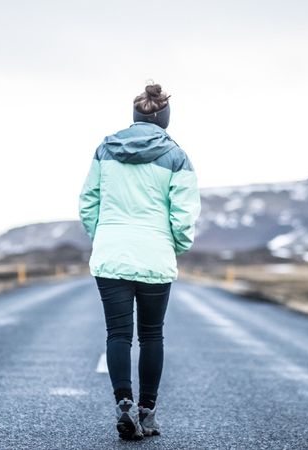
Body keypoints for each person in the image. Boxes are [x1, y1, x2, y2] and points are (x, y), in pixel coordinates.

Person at [78, 82, 201, 440]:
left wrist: (102, 237)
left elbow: (88, 201)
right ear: (165, 119)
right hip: (155, 256)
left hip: (111, 254)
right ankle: (147, 413)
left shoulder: (105, 149)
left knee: (118, 333)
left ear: (135, 115)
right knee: (151, 335)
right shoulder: (178, 157)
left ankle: (123, 405)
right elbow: (184, 214)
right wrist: (174, 246)